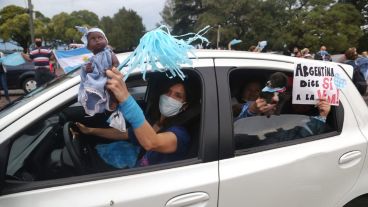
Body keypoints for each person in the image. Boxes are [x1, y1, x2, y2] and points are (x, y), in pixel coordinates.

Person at [74, 69, 192, 168]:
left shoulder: (180, 135)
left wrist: (126, 98)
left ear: (184, 106)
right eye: (168, 92)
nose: (169, 97)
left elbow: (151, 142)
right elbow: (125, 134)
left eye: (177, 95)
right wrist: (91, 131)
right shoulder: (156, 122)